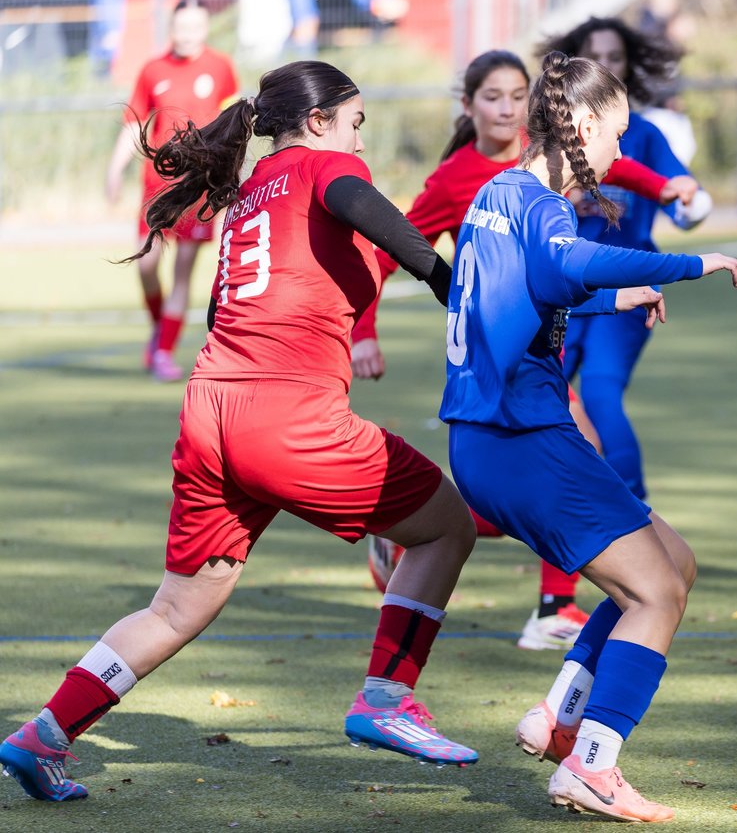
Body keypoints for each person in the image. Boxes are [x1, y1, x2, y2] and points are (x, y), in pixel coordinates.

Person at [0, 60, 478, 804]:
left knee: (176, 608)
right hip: (284, 414)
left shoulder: (252, 189)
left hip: (211, 410)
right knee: (446, 527)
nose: (359, 142)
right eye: (354, 124)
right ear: (316, 122)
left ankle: (43, 736)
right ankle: (388, 699)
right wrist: (455, 288)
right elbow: (365, 205)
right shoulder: (324, 168)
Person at [441, 51, 737, 822]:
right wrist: (689, 262)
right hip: (521, 438)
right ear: (580, 126)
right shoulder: (543, 205)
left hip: (497, 436)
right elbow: (567, 261)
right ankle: (592, 765)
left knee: (675, 561)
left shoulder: (499, 194)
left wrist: (614, 299)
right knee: (657, 593)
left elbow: (532, 292)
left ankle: (561, 716)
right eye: (615, 134)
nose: (618, 152)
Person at [355, 49, 697, 652]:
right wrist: (369, 328)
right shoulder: (469, 180)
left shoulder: (543, 161)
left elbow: (609, 168)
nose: (507, 108)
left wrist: (664, 186)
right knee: (577, 451)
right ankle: (553, 605)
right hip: (504, 366)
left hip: (539, 347)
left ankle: (530, 593)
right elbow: (401, 251)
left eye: (518, 95)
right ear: (468, 106)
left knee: (544, 478)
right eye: (493, 97)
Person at [538, 17, 712, 503]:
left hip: (627, 291)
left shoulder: (644, 135)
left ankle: (636, 516)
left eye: (615, 57)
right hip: (565, 291)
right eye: (595, 56)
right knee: (539, 399)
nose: (606, 65)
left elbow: (680, 198)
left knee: (599, 392)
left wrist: (688, 198)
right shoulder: (554, 138)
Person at [106, 0, 238, 383]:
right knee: (145, 265)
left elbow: (232, 126)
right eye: (182, 27)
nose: (188, 34)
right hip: (157, 189)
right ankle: (159, 329)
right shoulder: (153, 70)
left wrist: (232, 173)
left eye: (196, 26)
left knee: (182, 271)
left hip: (200, 188)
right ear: (172, 28)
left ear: (206, 27)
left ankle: (163, 350)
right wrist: (114, 169)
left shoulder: (220, 67)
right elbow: (134, 124)